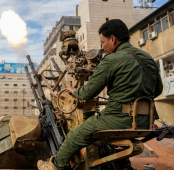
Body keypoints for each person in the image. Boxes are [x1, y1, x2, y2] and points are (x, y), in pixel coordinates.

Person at [37, 19, 163, 170]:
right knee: (112, 142)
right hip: (145, 122)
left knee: (76, 135)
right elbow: (158, 91)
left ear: (113, 39)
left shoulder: (112, 59)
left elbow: (88, 92)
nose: (102, 47)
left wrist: (74, 91)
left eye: (103, 42)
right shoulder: (147, 57)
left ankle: (55, 166)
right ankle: (123, 167)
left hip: (119, 120)